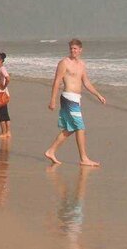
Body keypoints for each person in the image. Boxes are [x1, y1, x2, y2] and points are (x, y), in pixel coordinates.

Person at [45, 38, 107, 166]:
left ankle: (51, 151)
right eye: (71, 48)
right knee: (80, 127)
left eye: (75, 49)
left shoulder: (82, 65)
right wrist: (53, 100)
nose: (73, 51)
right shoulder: (64, 63)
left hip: (76, 99)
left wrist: (98, 95)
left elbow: (86, 82)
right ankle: (83, 158)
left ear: (80, 50)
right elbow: (57, 81)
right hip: (68, 98)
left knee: (71, 128)